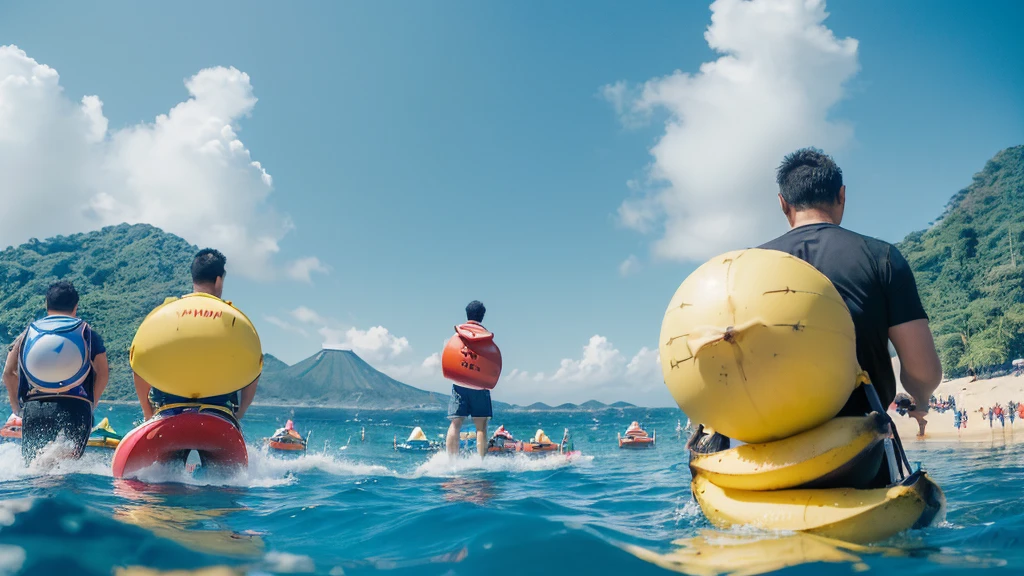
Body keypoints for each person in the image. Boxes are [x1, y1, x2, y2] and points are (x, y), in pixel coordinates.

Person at [132, 249, 258, 421]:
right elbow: (254, 365)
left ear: (194, 278)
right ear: (219, 281)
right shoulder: (233, 318)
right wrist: (240, 413)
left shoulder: (163, 312)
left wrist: (147, 411)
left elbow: (138, 359)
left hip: (168, 408)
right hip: (218, 411)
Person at [3, 281, 109, 461]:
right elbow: (103, 373)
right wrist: (91, 403)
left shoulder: (28, 332)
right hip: (76, 407)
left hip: (35, 408)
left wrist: (16, 406)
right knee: (68, 469)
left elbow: (8, 373)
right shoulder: (87, 332)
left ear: (46, 304)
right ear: (76, 306)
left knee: (33, 470)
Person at [445, 300, 493, 458]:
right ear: (482, 316)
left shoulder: (457, 334)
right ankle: (481, 462)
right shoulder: (486, 337)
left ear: (467, 314)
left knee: (455, 423)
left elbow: (449, 356)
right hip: (479, 386)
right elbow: (492, 362)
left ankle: (451, 462)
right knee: (481, 427)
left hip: (459, 383)